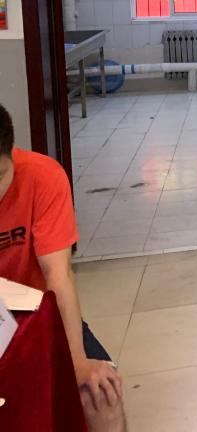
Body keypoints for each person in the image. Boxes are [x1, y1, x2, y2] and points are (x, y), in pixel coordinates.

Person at [0, 103, 126, 432]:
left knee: (99, 394)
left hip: (37, 318)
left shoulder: (42, 176)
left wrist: (76, 361)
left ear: (11, 153)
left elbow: (58, 274)